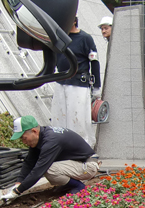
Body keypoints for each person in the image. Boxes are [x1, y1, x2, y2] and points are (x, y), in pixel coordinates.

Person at [0, 116, 100, 202]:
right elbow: (29, 163)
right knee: (47, 166)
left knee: (49, 169)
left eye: (23, 138)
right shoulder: (41, 137)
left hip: (88, 166)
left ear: (34, 131)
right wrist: (18, 183)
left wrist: (17, 191)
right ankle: (69, 184)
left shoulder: (51, 141)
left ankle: (78, 186)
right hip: (78, 163)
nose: (23, 141)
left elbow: (38, 170)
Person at [51, 16, 101, 148]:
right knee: (59, 117)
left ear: (73, 21)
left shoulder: (85, 38)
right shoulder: (59, 38)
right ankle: (60, 146)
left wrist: (96, 87)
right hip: (61, 82)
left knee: (77, 118)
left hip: (78, 83)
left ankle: (81, 147)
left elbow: (94, 62)